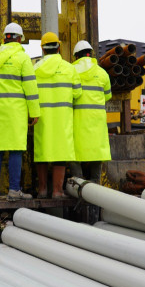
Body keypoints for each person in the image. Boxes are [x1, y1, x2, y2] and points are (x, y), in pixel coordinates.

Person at [0, 23, 40, 201]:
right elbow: (30, 87)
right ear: (20, 38)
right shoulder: (22, 58)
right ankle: (14, 190)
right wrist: (34, 112)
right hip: (16, 112)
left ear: (4, 37)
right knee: (15, 150)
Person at [33, 32, 82, 199]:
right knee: (60, 154)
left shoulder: (35, 68)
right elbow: (77, 93)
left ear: (42, 49)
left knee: (41, 153)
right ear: (59, 47)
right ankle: (57, 191)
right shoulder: (69, 69)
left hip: (41, 119)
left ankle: (42, 190)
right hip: (62, 119)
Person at [69, 40, 111, 220]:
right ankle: (95, 187)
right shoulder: (102, 73)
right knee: (96, 152)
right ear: (91, 54)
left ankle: (78, 183)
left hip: (77, 121)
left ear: (76, 56)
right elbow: (108, 95)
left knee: (73, 153)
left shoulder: (71, 71)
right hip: (97, 122)